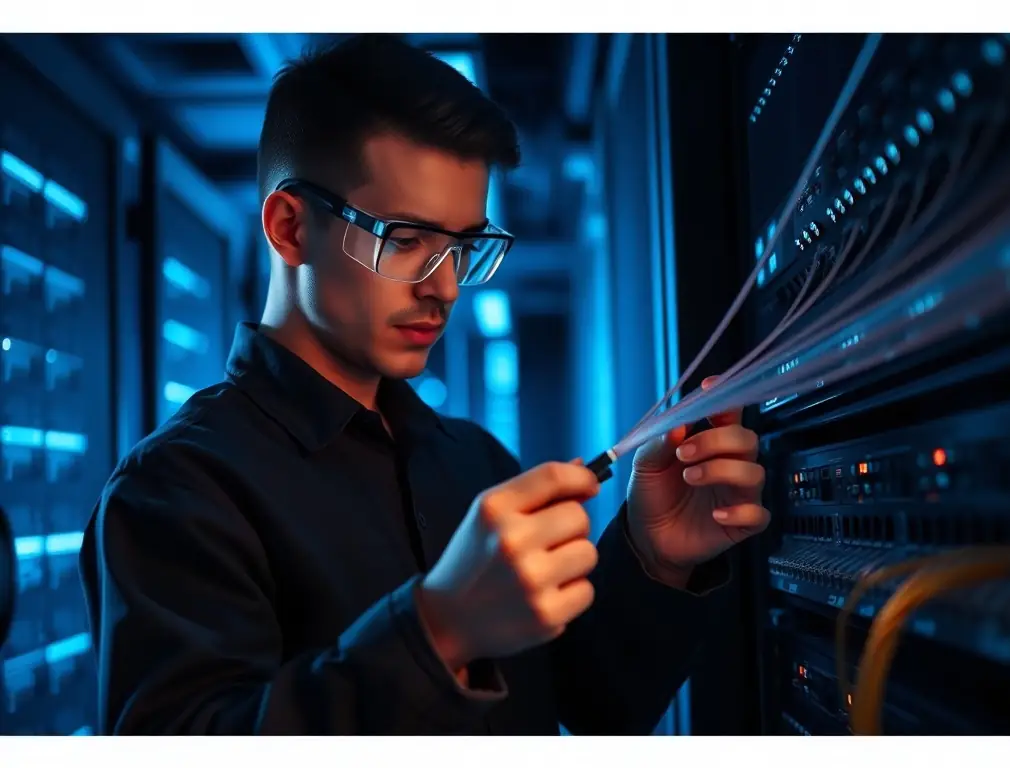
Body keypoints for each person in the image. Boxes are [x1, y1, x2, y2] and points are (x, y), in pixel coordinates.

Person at [79, 34, 769, 735]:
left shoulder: (473, 460)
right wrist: (437, 630)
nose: (444, 288)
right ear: (290, 228)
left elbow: (593, 706)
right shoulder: (175, 491)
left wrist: (656, 558)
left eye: (463, 246)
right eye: (405, 238)